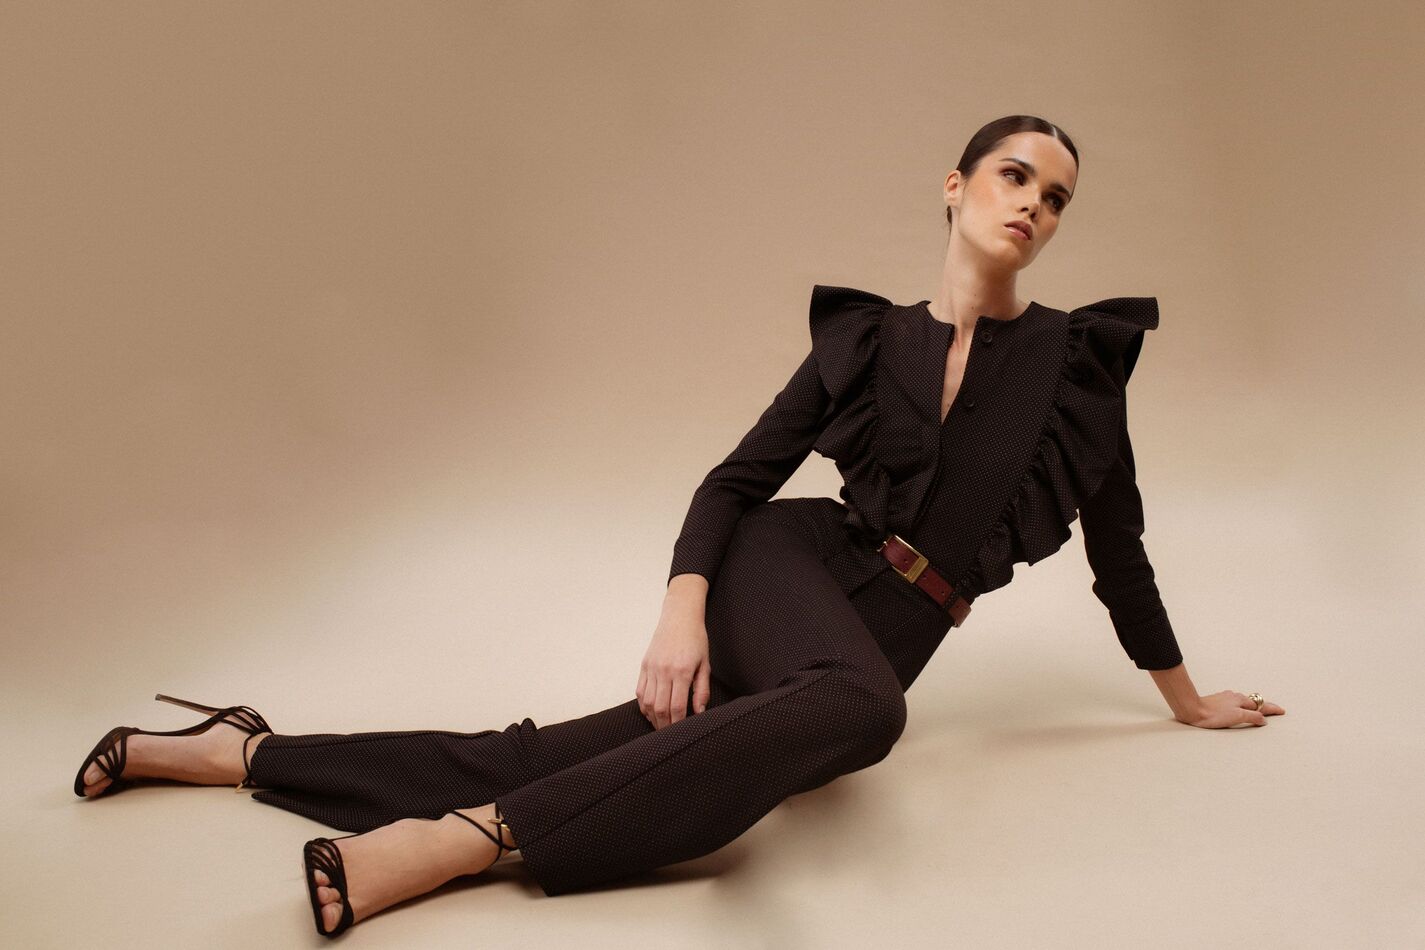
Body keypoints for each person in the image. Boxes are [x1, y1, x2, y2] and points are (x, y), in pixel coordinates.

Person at [72, 114, 1286, 938]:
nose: (1035, 204)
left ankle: (244, 752)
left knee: (561, 751)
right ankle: (468, 843)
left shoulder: (1075, 368)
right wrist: (684, 605)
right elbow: (734, 480)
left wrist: (1184, 697)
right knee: (866, 712)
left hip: (881, 634)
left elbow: (1120, 548)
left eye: (1057, 197)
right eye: (1016, 175)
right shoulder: (868, 340)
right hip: (785, 565)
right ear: (956, 185)